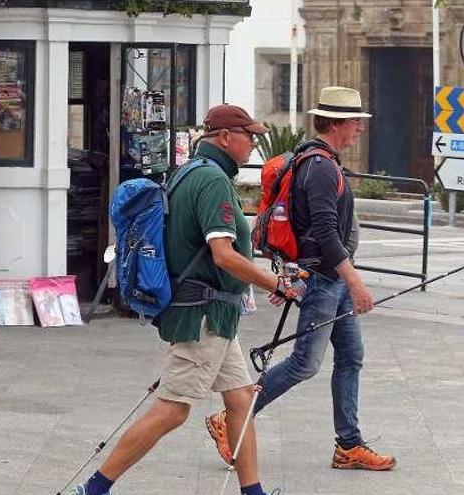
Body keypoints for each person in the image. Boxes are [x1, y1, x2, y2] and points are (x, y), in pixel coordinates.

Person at [69, 104, 303, 495]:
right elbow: (223, 255)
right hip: (204, 316)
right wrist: (275, 285)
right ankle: (94, 488)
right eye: (250, 136)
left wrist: (273, 276)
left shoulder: (190, 172)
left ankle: (253, 492)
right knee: (174, 408)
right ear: (225, 137)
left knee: (241, 400)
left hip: (213, 313)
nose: (254, 143)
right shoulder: (212, 181)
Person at [206, 86, 396, 471]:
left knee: (351, 356)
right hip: (328, 280)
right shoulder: (321, 167)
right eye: (356, 122)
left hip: (331, 279)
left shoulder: (321, 160)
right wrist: (355, 281)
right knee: (304, 363)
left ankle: (349, 444)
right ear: (338, 123)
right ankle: (232, 419)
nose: (360, 128)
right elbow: (325, 233)